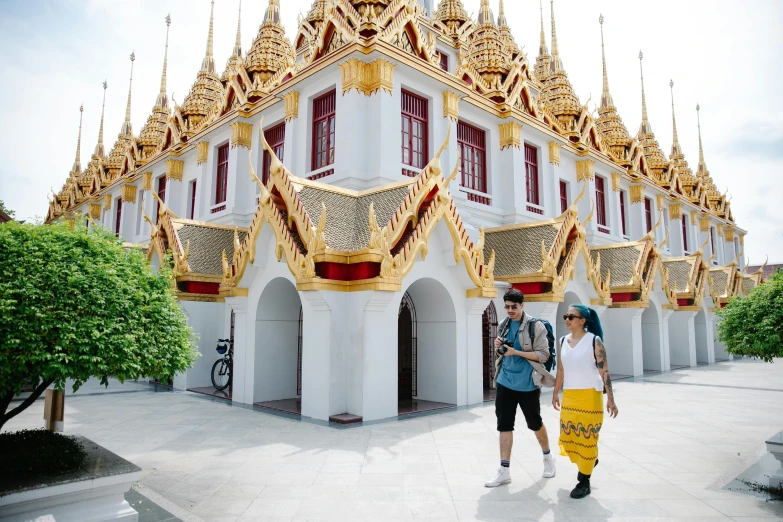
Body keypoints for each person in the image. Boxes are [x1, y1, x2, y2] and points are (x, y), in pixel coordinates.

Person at [485, 289, 557, 488]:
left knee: (535, 423)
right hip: (505, 382)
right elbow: (501, 352)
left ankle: (548, 458)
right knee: (504, 425)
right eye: (507, 306)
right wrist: (498, 344)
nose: (510, 310)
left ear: (522, 305)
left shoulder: (536, 326)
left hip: (527, 385)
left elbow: (543, 355)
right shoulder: (503, 325)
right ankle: (504, 470)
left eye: (513, 307)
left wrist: (516, 351)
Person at [552, 304, 618, 499]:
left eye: (571, 317)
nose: (567, 319)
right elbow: (561, 370)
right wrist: (556, 393)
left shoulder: (594, 341)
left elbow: (603, 371)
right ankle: (590, 461)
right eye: (566, 316)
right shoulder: (563, 340)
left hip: (590, 396)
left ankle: (584, 480)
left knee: (587, 439)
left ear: (582, 321)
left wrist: (611, 399)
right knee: (569, 437)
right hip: (570, 396)